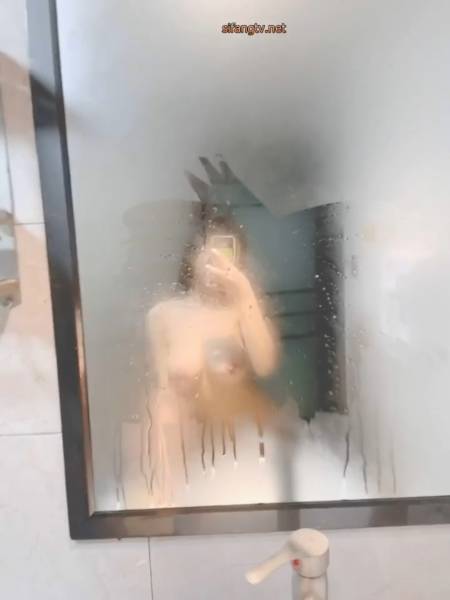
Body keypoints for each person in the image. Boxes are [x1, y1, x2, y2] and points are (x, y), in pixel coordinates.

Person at [143, 214, 280, 503]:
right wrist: (163, 487)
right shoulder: (162, 315)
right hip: (190, 458)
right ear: (192, 255)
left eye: (226, 253)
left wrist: (245, 293)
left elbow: (265, 365)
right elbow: (161, 398)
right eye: (208, 251)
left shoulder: (242, 312)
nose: (215, 261)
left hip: (240, 454)